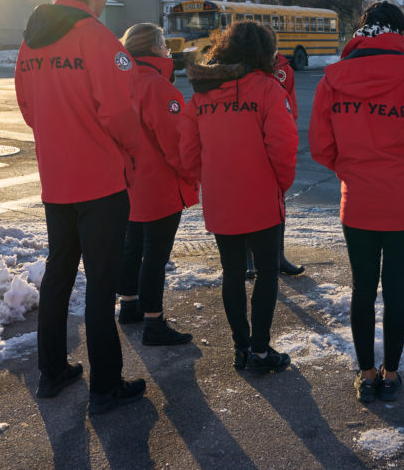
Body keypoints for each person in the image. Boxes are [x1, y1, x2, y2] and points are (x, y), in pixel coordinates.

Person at [14, 0, 146, 416]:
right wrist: (128, 150)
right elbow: (120, 113)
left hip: (56, 181)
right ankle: (105, 386)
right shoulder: (98, 38)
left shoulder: (31, 42)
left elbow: (27, 108)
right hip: (101, 182)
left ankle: (52, 372)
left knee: (59, 275)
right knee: (101, 285)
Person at [308, 1, 404, 404]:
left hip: (357, 203)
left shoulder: (332, 82)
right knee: (394, 290)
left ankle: (365, 373)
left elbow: (320, 147)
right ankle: (391, 374)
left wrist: (351, 171)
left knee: (361, 289)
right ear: (399, 34)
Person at [178, 20, 299, 374]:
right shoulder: (267, 89)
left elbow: (186, 150)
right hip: (261, 196)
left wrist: (209, 178)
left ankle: (241, 348)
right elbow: (284, 145)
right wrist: (280, 184)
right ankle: (260, 350)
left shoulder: (201, 95)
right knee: (265, 272)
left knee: (231, 272)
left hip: (220, 196)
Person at [116, 23, 199, 346]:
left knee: (131, 246)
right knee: (155, 255)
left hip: (128, 182)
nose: (168, 49)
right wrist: (191, 173)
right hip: (159, 184)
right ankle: (154, 322)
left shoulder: (120, 81)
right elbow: (176, 142)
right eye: (163, 43)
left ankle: (129, 305)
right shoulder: (158, 87)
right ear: (153, 48)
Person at [245, 27, 305, 279]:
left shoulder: (283, 68)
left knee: (277, 204)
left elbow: (289, 105)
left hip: (276, 139)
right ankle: (248, 258)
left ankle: (277, 255)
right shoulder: (245, 67)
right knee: (246, 203)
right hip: (249, 143)